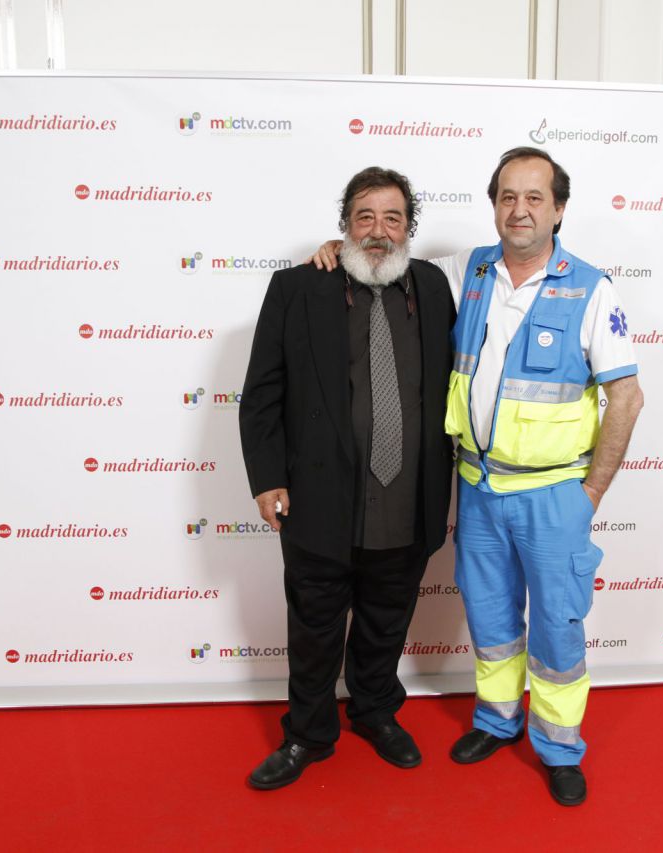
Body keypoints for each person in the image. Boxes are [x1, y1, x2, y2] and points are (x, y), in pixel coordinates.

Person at [310, 147, 643, 805]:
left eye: (535, 197)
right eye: (507, 197)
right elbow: (382, 260)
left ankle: (558, 746)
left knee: (557, 626)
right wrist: (339, 243)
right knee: (490, 618)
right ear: (494, 205)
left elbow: (626, 398)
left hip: (554, 494)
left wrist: (591, 495)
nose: (519, 210)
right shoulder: (470, 271)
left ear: (559, 209)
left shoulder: (592, 287)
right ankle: (496, 720)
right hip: (481, 489)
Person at [238, 166, 456, 790]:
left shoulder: (437, 285)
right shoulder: (296, 289)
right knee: (315, 626)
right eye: (365, 217)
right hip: (319, 498)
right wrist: (266, 478)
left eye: (392, 218)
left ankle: (376, 711)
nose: (379, 231)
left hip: (409, 497)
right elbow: (261, 395)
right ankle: (308, 733)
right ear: (344, 225)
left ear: (410, 227)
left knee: (388, 619)